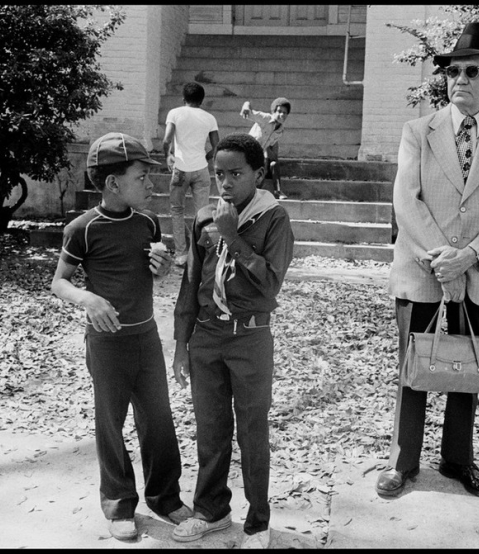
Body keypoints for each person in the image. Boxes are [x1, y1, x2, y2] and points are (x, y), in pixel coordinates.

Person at [376, 22, 479, 500]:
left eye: (471, 71)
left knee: (467, 365)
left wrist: (468, 258)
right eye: (452, 71)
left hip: (478, 272)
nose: (459, 79)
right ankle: (403, 462)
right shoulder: (417, 132)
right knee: (413, 364)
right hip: (422, 268)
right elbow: (407, 200)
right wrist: (442, 261)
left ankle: (458, 459)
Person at [51, 132, 193, 541]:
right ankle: (118, 504)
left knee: (159, 420)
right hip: (107, 343)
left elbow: (153, 274)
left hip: (146, 337)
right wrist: (88, 299)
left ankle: (165, 497)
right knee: (110, 423)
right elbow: (59, 282)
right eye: (141, 177)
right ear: (113, 183)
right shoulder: (83, 228)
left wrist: (161, 270)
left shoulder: (148, 222)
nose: (151, 184)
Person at [170, 134, 295, 549]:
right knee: (210, 429)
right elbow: (191, 285)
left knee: (252, 432)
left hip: (250, 338)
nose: (224, 183)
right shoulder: (205, 216)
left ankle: (258, 522)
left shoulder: (273, 218)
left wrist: (232, 238)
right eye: (219, 173)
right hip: (207, 336)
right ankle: (211, 511)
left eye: (235, 174)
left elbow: (271, 283)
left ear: (259, 174)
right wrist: (181, 344)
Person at [162, 82, 220, 267]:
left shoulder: (175, 113)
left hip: (180, 168)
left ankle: (181, 254)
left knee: (177, 210)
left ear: (183, 98)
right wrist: (206, 156)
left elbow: (166, 140)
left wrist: (168, 156)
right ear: (202, 100)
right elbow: (217, 146)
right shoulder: (209, 118)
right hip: (201, 169)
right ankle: (200, 254)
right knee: (202, 213)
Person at [240, 97, 291, 200]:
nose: (282, 115)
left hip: (259, 155)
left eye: (285, 113)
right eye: (279, 111)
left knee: (267, 165)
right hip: (246, 153)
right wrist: (246, 105)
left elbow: (272, 150)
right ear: (273, 112)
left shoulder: (280, 130)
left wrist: (268, 158)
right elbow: (250, 112)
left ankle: (272, 192)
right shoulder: (265, 118)